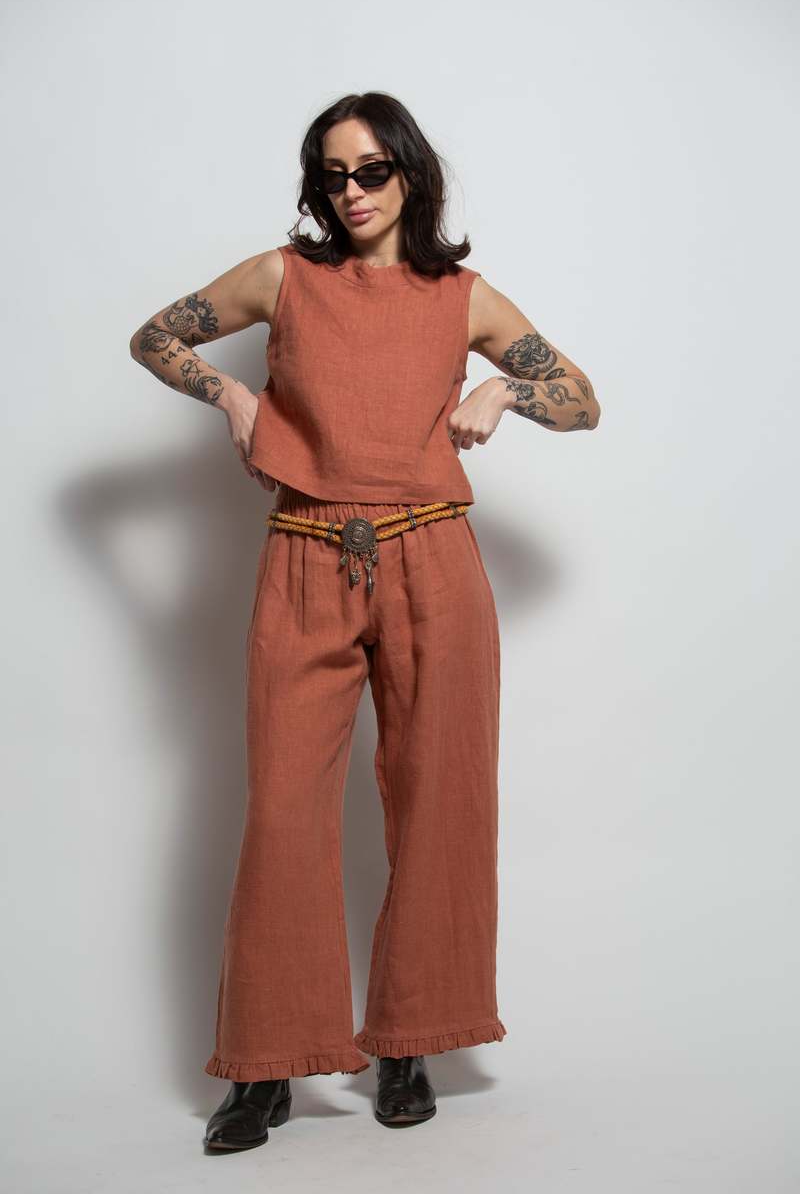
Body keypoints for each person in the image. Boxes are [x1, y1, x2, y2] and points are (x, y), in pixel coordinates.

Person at [129, 90, 601, 1153]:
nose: (350, 192)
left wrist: (504, 395)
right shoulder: (280, 278)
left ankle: (408, 1043)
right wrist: (231, 396)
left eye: (371, 171)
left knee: (439, 802)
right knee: (283, 811)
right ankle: (264, 1066)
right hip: (305, 552)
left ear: (410, 175)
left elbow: (582, 399)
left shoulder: (464, 298)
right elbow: (153, 337)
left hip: (434, 555)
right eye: (332, 174)